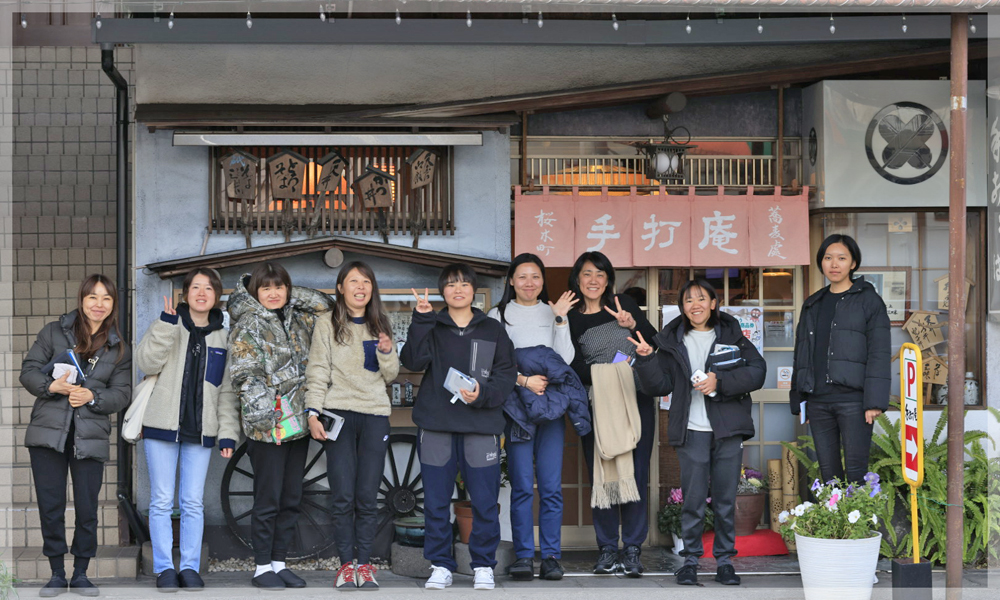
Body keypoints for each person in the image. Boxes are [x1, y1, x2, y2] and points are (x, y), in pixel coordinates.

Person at [631, 279, 766, 586]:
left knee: (724, 499)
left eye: (701, 299)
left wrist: (720, 383)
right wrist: (646, 359)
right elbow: (660, 385)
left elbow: (757, 371)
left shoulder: (732, 335)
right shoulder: (672, 340)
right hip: (691, 429)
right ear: (682, 307)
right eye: (689, 300)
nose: (695, 305)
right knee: (692, 499)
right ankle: (690, 560)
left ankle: (724, 562)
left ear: (713, 303)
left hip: (727, 429)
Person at [400, 263, 517, 591]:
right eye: (451, 284)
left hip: (481, 425)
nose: (458, 289)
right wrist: (421, 319)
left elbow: (506, 373)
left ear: (473, 290)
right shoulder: (433, 325)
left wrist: (484, 394)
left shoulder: (491, 329)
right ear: (443, 291)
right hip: (436, 424)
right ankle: (440, 564)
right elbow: (412, 361)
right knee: (436, 499)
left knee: (483, 498)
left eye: (464, 283)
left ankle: (482, 564)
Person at [19, 274, 132, 597]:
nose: (99, 304)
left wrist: (93, 398)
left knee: (87, 507)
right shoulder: (54, 332)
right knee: (50, 505)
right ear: (82, 300)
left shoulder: (118, 346)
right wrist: (50, 386)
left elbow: (122, 394)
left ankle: (81, 573)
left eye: (106, 299)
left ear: (113, 304)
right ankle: (56, 573)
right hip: (47, 435)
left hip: (90, 436)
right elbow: (28, 370)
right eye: (93, 297)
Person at [227, 262, 334, 589]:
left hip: (299, 424)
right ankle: (262, 567)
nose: (273, 294)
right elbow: (245, 377)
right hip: (268, 425)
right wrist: (272, 414)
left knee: (291, 496)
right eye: (266, 288)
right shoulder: (247, 325)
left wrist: (291, 296)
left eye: (279, 287)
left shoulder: (300, 318)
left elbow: (326, 306)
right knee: (268, 498)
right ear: (254, 292)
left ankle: (279, 562)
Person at [135, 268, 241, 592]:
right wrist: (165, 328)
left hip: (201, 430)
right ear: (185, 293)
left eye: (209, 287)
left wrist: (227, 433)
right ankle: (165, 568)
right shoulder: (168, 323)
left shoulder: (224, 335)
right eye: (195, 286)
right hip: (161, 426)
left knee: (193, 501)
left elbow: (225, 390)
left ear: (217, 295)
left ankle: (191, 568)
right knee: (162, 500)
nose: (201, 292)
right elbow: (146, 363)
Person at [487, 253, 586, 582]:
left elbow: (566, 358)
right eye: (522, 276)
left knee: (550, 485)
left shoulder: (552, 311)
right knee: (521, 487)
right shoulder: (497, 315)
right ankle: (524, 556)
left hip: (551, 410)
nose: (529, 283)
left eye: (536, 277)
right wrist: (523, 380)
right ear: (511, 281)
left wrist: (559, 319)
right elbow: (491, 364)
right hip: (517, 410)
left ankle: (552, 557)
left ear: (543, 281)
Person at [304, 261, 399, 590]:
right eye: (353, 281)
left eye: (367, 282)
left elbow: (391, 374)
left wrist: (387, 352)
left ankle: (366, 564)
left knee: (367, 495)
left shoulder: (380, 323)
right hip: (338, 416)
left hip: (374, 414)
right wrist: (312, 412)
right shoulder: (325, 324)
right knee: (343, 495)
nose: (361, 287)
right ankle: (346, 565)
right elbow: (317, 370)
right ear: (340, 287)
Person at [566, 251, 658, 577]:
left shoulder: (623, 304)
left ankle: (632, 548)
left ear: (609, 279)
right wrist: (606, 372)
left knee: (635, 473)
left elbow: (654, 342)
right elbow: (570, 365)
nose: (594, 280)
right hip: (598, 402)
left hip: (637, 400)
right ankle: (607, 547)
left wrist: (633, 324)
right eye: (588, 274)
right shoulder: (572, 317)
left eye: (600, 274)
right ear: (577, 278)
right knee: (602, 474)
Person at [790, 234, 890, 485]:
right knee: (828, 474)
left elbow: (879, 351)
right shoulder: (813, 304)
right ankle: (836, 524)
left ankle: (858, 524)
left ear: (853, 264)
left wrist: (874, 401)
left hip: (854, 401)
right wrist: (801, 398)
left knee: (857, 471)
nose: (834, 264)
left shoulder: (869, 301)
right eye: (828, 258)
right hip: (819, 401)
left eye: (841, 258)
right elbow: (801, 353)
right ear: (821, 263)